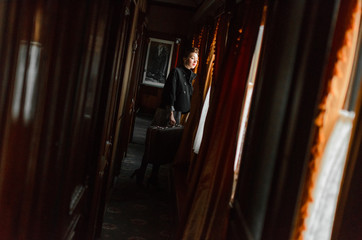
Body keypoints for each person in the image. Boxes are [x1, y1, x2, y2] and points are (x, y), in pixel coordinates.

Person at [131, 47, 199, 186]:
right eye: (192, 58)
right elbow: (170, 94)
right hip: (168, 111)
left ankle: (153, 176)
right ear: (185, 58)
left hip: (180, 114)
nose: (194, 61)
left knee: (165, 145)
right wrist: (171, 114)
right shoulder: (176, 72)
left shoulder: (191, 75)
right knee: (154, 142)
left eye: (196, 59)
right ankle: (143, 172)